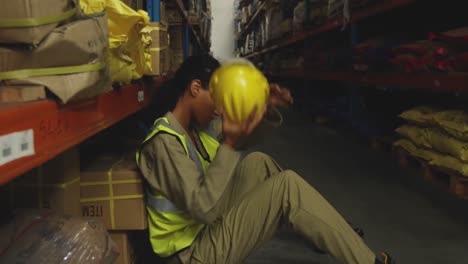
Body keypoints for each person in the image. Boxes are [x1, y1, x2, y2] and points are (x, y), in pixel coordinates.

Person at [136, 54, 395, 264]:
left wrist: (263, 103)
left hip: (202, 233)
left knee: (258, 162)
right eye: (215, 98)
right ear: (195, 88)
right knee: (286, 187)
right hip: (190, 255)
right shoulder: (165, 142)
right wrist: (229, 144)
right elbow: (203, 208)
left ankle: (327, 232)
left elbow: (244, 134)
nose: (218, 109)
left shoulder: (194, 129)